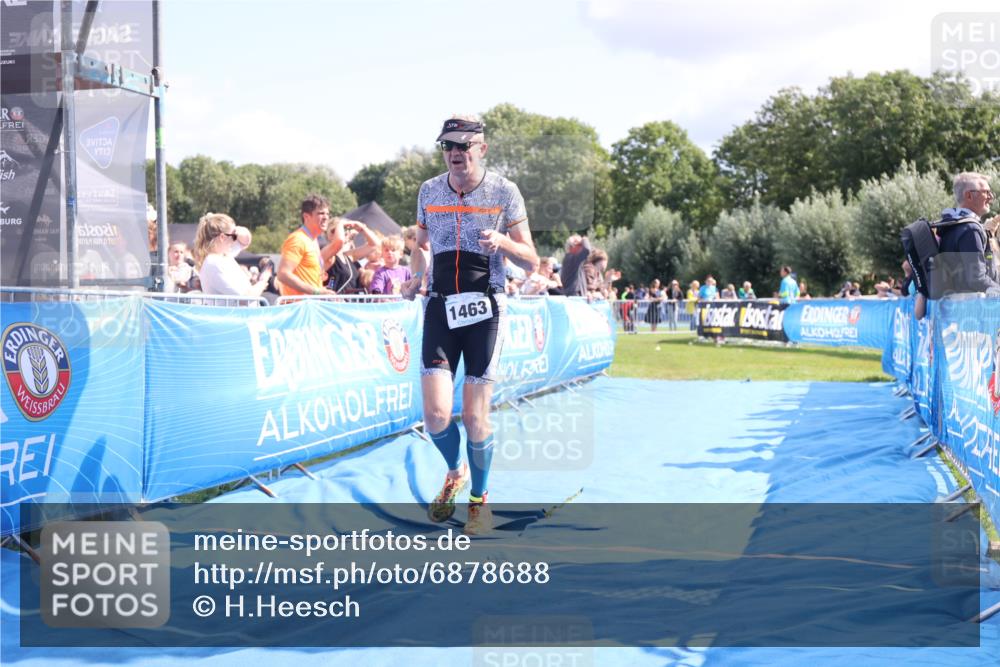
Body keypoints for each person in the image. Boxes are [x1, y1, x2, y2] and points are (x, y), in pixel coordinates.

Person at [400, 115, 538, 535]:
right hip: (441, 307)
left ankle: (479, 501)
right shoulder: (429, 191)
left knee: (477, 419)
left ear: (482, 148)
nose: (455, 153)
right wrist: (414, 275)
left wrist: (503, 242)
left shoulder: (504, 192)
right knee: (437, 416)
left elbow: (530, 256)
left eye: (463, 146)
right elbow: (421, 247)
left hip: (485, 309)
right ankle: (455, 471)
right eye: (448, 146)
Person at [935, 171, 1000, 296]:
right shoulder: (970, 229)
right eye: (986, 192)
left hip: (953, 304)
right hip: (971, 308)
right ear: (969, 196)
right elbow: (977, 278)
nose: (990, 197)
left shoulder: (950, 224)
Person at [192, 212, 272, 297]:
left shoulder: (222, 256)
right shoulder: (214, 263)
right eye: (234, 236)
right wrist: (263, 281)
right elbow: (246, 297)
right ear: (222, 237)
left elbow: (245, 242)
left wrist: (238, 230)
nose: (235, 240)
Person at [276, 194, 339, 296]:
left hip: (311, 306)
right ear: (306, 216)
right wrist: (316, 291)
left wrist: (323, 291)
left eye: (328, 214)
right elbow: (283, 274)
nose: (326, 217)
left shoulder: (313, 240)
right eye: (321, 213)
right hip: (299, 307)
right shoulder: (297, 239)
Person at [324, 217, 379, 294]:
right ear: (328, 235)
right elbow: (339, 240)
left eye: (344, 229)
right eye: (333, 231)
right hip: (334, 304)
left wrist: (362, 228)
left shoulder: (349, 256)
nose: (338, 233)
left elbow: (375, 245)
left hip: (351, 304)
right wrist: (342, 223)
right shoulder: (325, 255)